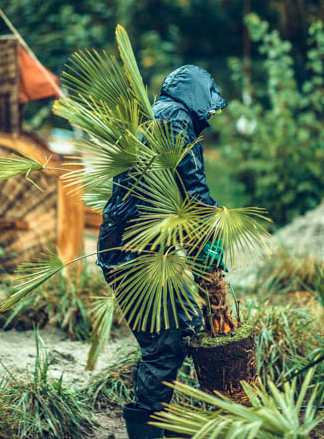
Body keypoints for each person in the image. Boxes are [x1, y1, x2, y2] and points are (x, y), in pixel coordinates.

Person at [97, 65, 227, 438]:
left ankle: (162, 423)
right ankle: (148, 428)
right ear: (196, 96)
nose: (212, 116)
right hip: (134, 256)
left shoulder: (163, 115)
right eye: (210, 106)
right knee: (164, 346)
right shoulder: (175, 119)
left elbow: (174, 199)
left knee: (185, 329)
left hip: (139, 250)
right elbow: (193, 190)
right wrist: (210, 234)